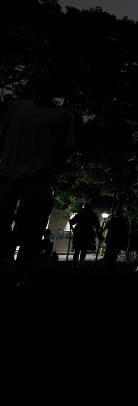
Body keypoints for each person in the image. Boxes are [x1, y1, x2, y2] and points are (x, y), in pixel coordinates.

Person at [0, 72, 75, 282]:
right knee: (25, 225)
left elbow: (63, 151)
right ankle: (20, 267)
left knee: (30, 226)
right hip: (12, 174)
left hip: (33, 177)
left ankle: (23, 268)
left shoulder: (63, 116)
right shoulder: (18, 107)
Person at [70, 203, 102, 269]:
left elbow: (72, 222)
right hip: (88, 233)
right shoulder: (93, 216)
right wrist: (97, 233)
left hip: (80, 233)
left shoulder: (80, 214)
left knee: (77, 250)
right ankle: (80, 263)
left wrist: (71, 223)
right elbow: (97, 226)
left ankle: (75, 264)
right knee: (83, 250)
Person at [101, 206, 130, 270]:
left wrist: (101, 231)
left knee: (110, 251)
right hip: (117, 238)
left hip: (113, 237)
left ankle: (108, 264)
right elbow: (127, 228)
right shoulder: (123, 220)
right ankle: (110, 264)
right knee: (114, 252)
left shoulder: (115, 219)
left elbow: (106, 226)